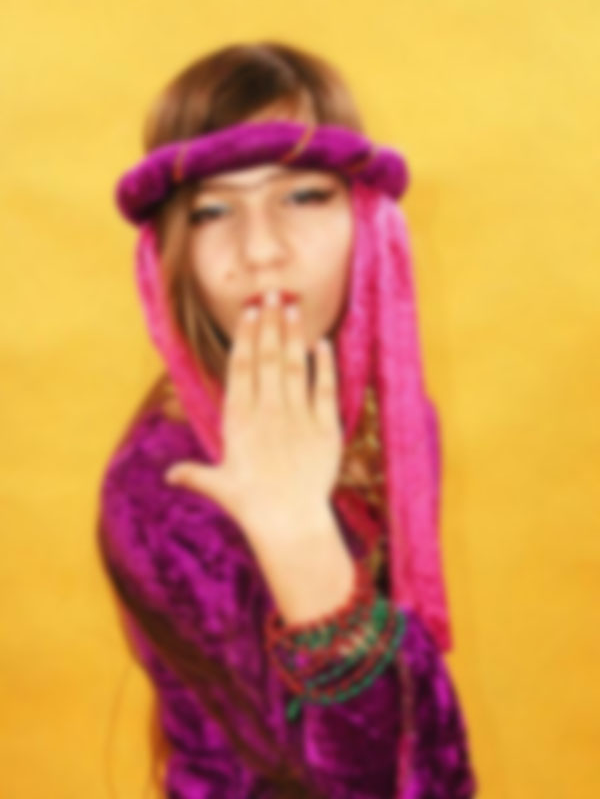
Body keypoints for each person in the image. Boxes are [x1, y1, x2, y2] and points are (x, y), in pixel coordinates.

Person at [96, 41, 478, 798]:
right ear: (173, 251)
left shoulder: (396, 422)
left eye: (303, 196)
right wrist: (296, 534)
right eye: (212, 211)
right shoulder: (166, 489)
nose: (262, 250)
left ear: (366, 217)